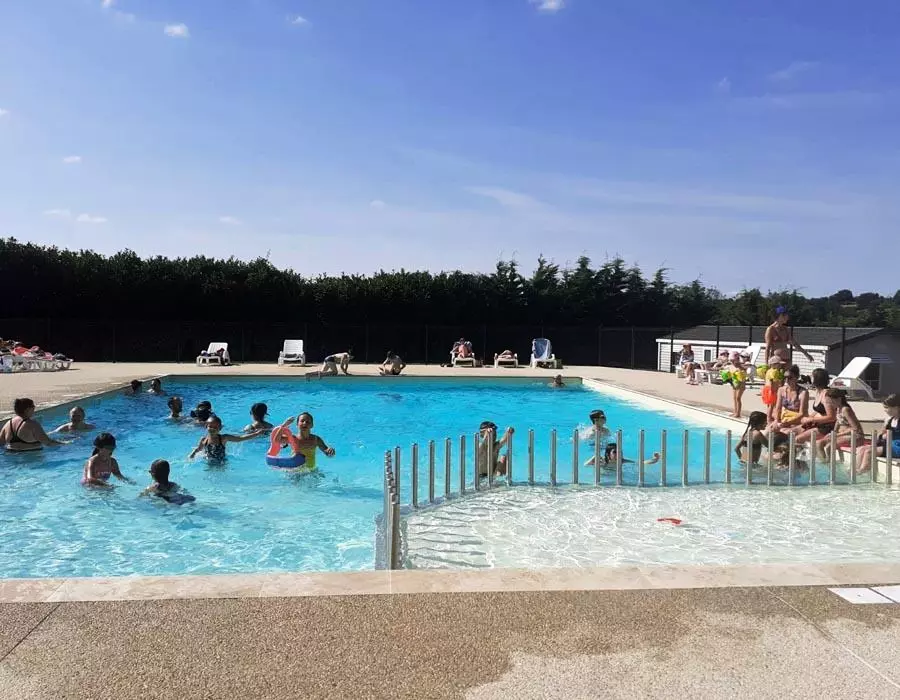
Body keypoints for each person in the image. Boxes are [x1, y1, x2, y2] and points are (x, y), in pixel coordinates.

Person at [855, 394, 900, 474]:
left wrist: (888, 436)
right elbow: (883, 435)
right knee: (862, 449)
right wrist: (882, 436)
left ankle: (862, 471)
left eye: (887, 407)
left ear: (896, 407)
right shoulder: (890, 420)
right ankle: (855, 469)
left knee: (869, 452)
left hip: (897, 447)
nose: (885, 410)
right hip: (890, 445)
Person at [1, 398, 67, 451]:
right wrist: (65, 444)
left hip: (11, 454)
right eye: (33, 407)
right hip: (31, 458)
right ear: (27, 409)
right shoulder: (32, 425)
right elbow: (48, 442)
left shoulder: (8, 423)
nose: (34, 409)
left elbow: (1, 443)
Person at [189, 415, 264, 462]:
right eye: (210, 426)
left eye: (215, 427)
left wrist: (256, 434)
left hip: (221, 463)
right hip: (208, 463)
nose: (212, 429)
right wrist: (192, 455)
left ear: (220, 428)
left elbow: (240, 438)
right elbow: (198, 449)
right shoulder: (204, 440)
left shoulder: (223, 438)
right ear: (206, 426)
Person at [795, 369, 838, 446]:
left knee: (797, 439)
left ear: (817, 379)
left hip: (826, 427)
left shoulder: (826, 395)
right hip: (817, 423)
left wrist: (811, 419)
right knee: (790, 432)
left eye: (812, 376)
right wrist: (809, 418)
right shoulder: (818, 392)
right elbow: (820, 410)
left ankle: (797, 453)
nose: (810, 377)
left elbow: (832, 417)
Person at [819, 389, 864, 462]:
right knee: (819, 443)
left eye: (831, 401)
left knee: (829, 447)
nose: (830, 404)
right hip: (843, 435)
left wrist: (837, 435)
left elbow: (855, 428)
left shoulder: (845, 410)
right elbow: (838, 421)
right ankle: (823, 463)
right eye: (828, 402)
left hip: (855, 436)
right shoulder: (838, 409)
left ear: (839, 399)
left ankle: (830, 465)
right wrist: (833, 432)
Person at [769, 365, 808, 433]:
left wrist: (787, 423)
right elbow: (778, 408)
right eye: (785, 377)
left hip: (798, 421)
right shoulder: (781, 390)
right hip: (785, 419)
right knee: (769, 431)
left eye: (789, 377)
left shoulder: (803, 392)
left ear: (797, 377)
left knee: (785, 432)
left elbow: (802, 413)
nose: (786, 380)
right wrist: (777, 421)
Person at [762, 350, 787, 422]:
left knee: (769, 405)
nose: (780, 366)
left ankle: (769, 417)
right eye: (779, 364)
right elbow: (773, 382)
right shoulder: (775, 371)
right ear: (773, 364)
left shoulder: (769, 370)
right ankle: (769, 418)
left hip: (766, 389)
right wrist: (774, 390)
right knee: (773, 405)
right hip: (772, 389)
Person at [725, 352, 748, 418]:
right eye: (731, 360)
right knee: (734, 398)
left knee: (738, 398)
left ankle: (738, 413)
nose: (732, 362)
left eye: (733, 360)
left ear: (737, 359)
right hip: (734, 384)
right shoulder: (731, 366)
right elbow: (730, 375)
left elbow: (744, 375)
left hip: (741, 385)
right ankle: (735, 412)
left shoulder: (740, 366)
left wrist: (741, 368)